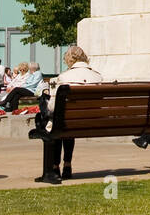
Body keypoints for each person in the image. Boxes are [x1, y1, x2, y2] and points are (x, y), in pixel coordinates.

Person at [34, 46, 103, 181]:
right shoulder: (97, 76)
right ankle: (67, 164)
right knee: (66, 123)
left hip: (67, 121)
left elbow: (52, 109)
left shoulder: (64, 77)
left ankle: (55, 166)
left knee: (56, 122)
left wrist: (45, 95)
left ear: (69, 59)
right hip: (90, 121)